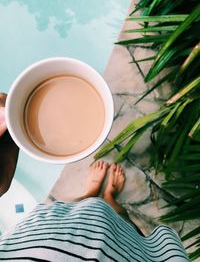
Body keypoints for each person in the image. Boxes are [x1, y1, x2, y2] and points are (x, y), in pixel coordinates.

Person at [0, 93, 189, 261]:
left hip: (32, 243)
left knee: (76, 212)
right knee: (124, 228)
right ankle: (109, 197)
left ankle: (91, 193)